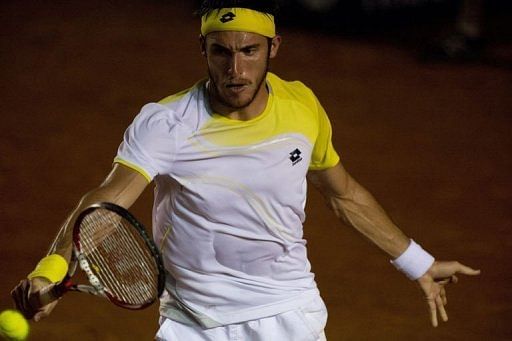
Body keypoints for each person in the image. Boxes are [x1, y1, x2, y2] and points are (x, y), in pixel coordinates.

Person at [11, 1, 480, 340]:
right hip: (190, 322)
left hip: (286, 314)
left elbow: (343, 195)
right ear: (203, 49)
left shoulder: (302, 106)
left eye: (250, 51)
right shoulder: (167, 122)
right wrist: (52, 266)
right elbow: (107, 201)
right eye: (221, 52)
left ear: (274, 46)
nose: (236, 69)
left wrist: (417, 261)